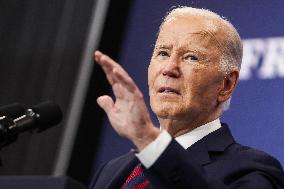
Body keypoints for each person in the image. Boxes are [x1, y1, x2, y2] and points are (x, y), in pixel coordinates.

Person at [90, 7, 284, 189]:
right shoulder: (111, 171)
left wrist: (149, 141)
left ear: (226, 85)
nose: (169, 69)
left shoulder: (253, 169)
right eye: (163, 53)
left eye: (191, 57)